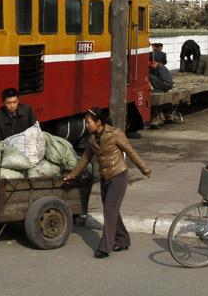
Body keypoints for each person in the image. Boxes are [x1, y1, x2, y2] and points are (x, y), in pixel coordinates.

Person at [63, 108, 152, 258]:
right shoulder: (91, 139)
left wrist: (144, 169)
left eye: (88, 122)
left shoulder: (115, 134)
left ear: (98, 122)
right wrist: (72, 175)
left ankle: (105, 247)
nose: (86, 125)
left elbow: (130, 151)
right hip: (105, 177)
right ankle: (123, 239)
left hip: (118, 175)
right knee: (112, 209)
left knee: (109, 210)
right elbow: (85, 158)